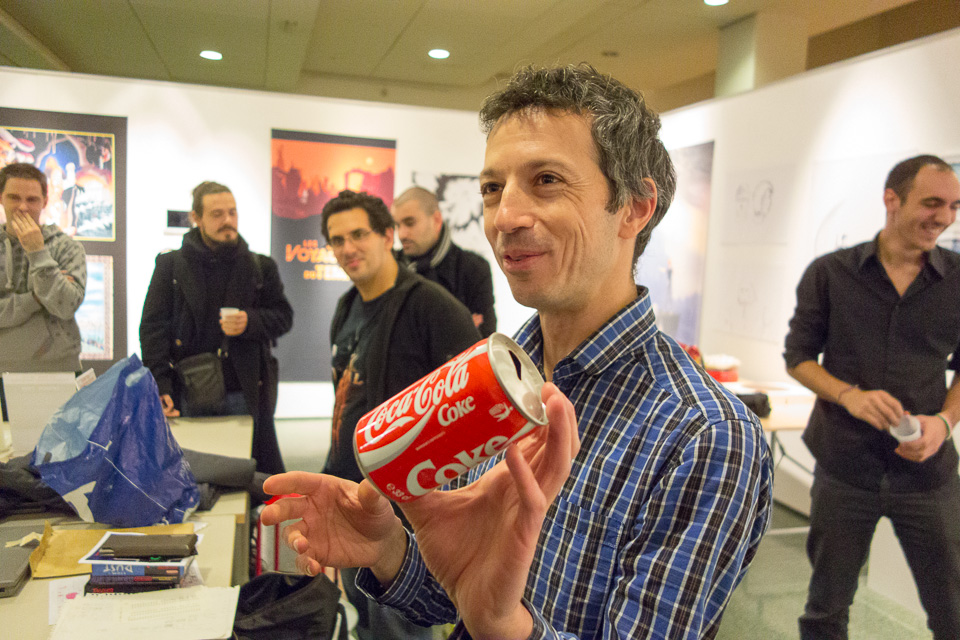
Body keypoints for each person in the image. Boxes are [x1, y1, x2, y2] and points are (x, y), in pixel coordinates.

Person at [262, 64, 773, 639]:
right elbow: (461, 590)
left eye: (547, 180)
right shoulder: (497, 375)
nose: (504, 217)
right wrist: (388, 550)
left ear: (634, 207)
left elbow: (496, 616)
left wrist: (506, 627)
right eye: (492, 188)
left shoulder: (706, 437)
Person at [784, 155, 960, 640]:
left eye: (954, 206)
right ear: (891, 199)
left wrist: (945, 422)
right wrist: (848, 396)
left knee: (952, 611)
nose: (944, 217)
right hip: (845, 468)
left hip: (928, 475)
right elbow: (798, 357)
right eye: (932, 203)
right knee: (826, 611)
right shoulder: (830, 272)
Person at [320, 189, 480, 640]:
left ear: (387, 235)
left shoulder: (432, 307)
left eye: (359, 234)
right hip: (353, 496)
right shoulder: (347, 307)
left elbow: (472, 409)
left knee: (398, 630)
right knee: (364, 619)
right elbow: (345, 399)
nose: (348, 248)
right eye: (337, 240)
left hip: (405, 517)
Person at [140, 181, 293, 475]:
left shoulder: (260, 266)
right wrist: (160, 383)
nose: (227, 220)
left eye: (232, 212)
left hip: (244, 390)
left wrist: (250, 322)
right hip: (189, 389)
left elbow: (283, 316)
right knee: (191, 473)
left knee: (247, 473)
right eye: (217, 214)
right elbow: (153, 328)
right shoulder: (170, 265)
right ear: (196, 218)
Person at [0, 162, 86, 373]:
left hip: (58, 369)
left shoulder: (67, 247)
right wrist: (36, 299)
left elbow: (65, 306)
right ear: (1, 198)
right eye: (14, 198)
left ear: (45, 201)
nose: (23, 207)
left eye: (32, 199)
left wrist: (37, 252)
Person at [392, 185, 497, 336]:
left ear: (436, 220)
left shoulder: (473, 269)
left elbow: (482, 341)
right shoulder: (391, 267)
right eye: (397, 225)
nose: (401, 234)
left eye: (410, 223)